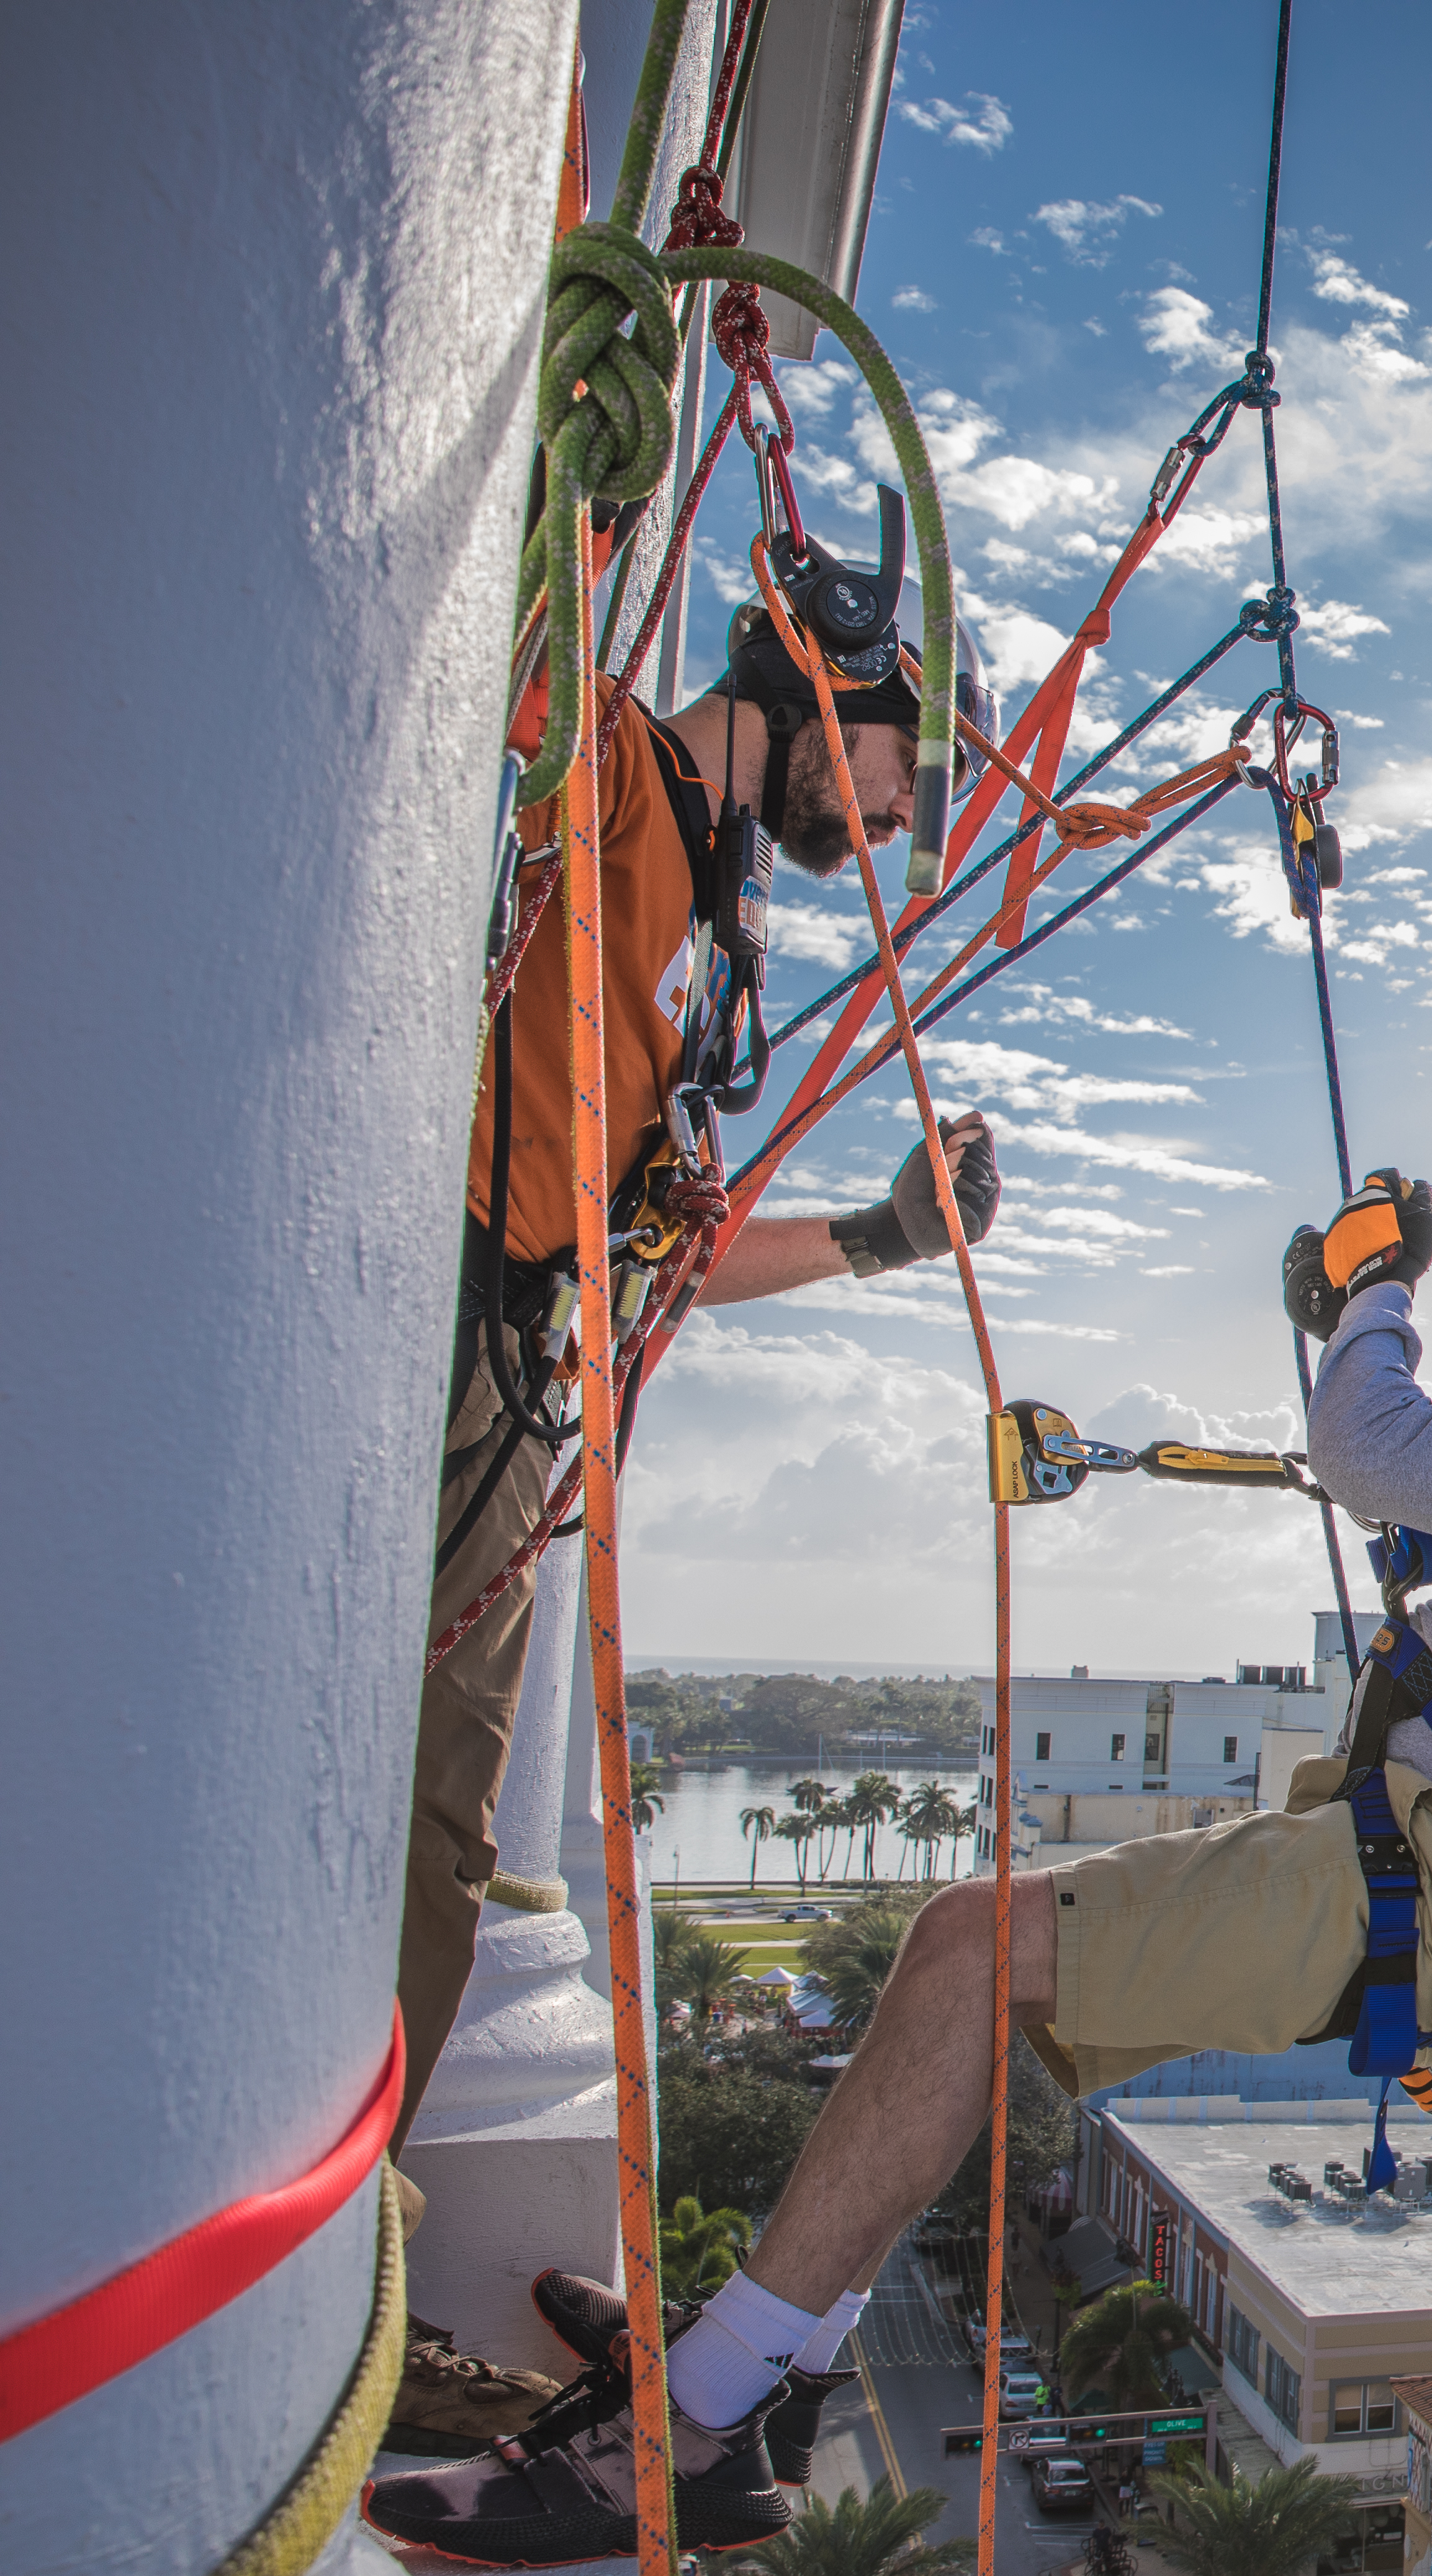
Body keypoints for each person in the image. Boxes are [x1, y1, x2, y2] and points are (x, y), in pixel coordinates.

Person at [366, 1122, 1432, 2562]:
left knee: (969, 1943)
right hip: (1424, 1867)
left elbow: (1370, 1444)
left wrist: (1376, 1286)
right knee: (969, 1961)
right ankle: (766, 2361)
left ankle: (695, 2428)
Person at [382, 580, 1006, 2459]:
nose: (893, 829)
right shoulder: (606, 778)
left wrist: (892, 1238)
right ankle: (315, 2287)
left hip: (518, 1370)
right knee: (392, 1818)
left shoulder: (714, 916)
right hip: (440, 1313)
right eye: (907, 778)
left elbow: (663, 1242)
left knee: (439, 1829)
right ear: (831, 685)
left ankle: (345, 2273)